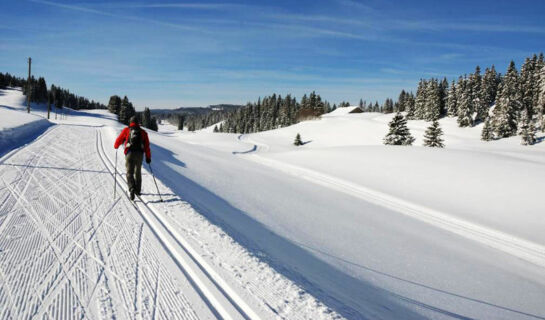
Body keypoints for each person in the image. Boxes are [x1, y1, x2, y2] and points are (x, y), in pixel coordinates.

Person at [114, 115, 151, 200]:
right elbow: (147, 146)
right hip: (140, 155)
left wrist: (116, 146)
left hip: (129, 153)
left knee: (129, 172)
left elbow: (118, 140)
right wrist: (148, 157)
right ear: (138, 123)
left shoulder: (127, 130)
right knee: (137, 172)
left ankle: (131, 188)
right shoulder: (143, 133)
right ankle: (137, 190)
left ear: (130, 122)